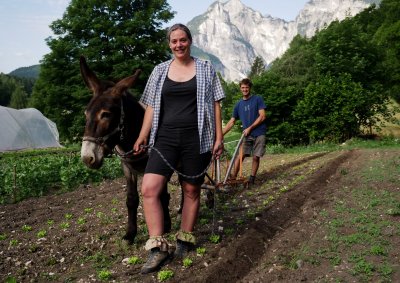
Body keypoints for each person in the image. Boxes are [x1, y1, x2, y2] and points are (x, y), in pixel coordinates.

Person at [133, 23, 225, 274]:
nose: (178, 45)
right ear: (169, 44)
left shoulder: (206, 68)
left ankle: (185, 238)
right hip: (165, 138)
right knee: (149, 188)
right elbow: (150, 106)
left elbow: (216, 104)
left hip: (196, 137)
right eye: (174, 41)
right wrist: (142, 135)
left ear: (190, 41)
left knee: (191, 188)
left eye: (183, 40)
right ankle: (158, 247)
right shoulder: (160, 71)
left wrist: (219, 137)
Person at [222, 78, 266, 185]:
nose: (245, 89)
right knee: (240, 156)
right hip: (246, 134)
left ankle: (252, 179)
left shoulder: (257, 99)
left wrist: (250, 128)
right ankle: (233, 178)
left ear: (250, 88)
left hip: (259, 133)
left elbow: (263, 116)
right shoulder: (238, 105)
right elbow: (231, 122)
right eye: (243, 87)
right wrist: (220, 134)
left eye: (247, 87)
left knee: (256, 157)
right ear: (240, 88)